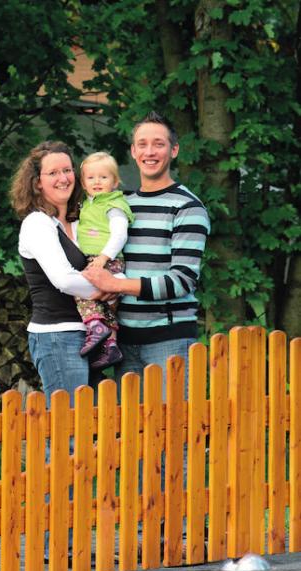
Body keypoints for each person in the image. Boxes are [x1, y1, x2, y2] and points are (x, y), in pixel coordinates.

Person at [82, 112, 210, 395]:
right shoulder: (122, 206)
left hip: (170, 340)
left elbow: (182, 280)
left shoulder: (188, 207)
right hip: (123, 340)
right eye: (142, 144)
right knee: (132, 435)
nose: (149, 152)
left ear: (173, 150)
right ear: (133, 151)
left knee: (174, 433)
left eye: (158, 144)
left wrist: (116, 285)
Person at [11, 141, 108, 404]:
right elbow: (64, 279)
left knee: (88, 427)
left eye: (67, 170)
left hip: (91, 334)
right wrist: (111, 288)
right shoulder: (37, 223)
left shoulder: (80, 222)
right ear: (37, 182)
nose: (63, 178)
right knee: (68, 430)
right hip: (57, 336)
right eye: (53, 173)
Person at [75, 152, 134, 370]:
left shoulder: (113, 204)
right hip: (98, 258)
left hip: (106, 259)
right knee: (106, 303)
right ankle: (110, 346)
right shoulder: (88, 204)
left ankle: (95, 325)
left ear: (115, 181)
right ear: (83, 182)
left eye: (103, 177)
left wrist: (103, 258)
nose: (97, 182)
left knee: (82, 292)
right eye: (91, 178)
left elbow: (120, 234)